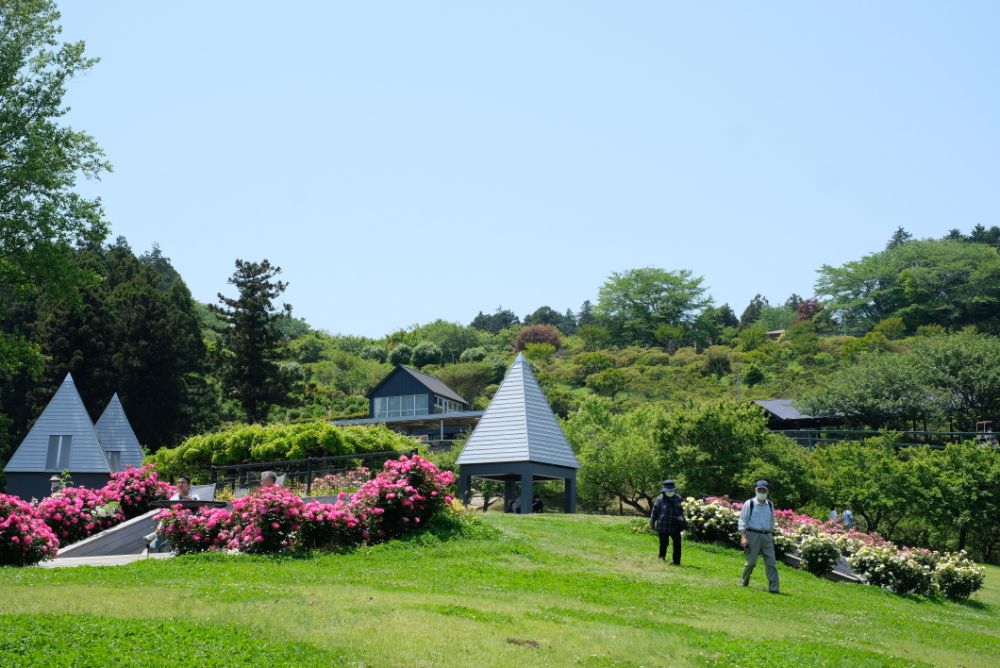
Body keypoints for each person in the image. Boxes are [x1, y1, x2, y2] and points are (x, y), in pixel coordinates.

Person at [738, 480, 780, 593]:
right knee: (751, 562)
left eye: (764, 490)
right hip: (752, 535)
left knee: (771, 563)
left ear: (767, 491)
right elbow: (743, 520)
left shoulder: (770, 504)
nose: (762, 492)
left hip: (767, 536)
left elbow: (772, 520)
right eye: (759, 489)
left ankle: (774, 588)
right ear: (756, 490)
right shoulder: (749, 503)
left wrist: (770, 533)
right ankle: (743, 581)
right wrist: (743, 536)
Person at [649, 479, 685, 565]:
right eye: (668, 490)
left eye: (671, 490)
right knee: (664, 544)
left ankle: (676, 562)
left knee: (677, 544)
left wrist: (682, 517)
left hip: (675, 526)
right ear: (664, 490)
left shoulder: (678, 498)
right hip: (663, 525)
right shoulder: (659, 499)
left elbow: (682, 511)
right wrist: (652, 525)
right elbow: (654, 513)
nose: (670, 492)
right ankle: (661, 559)